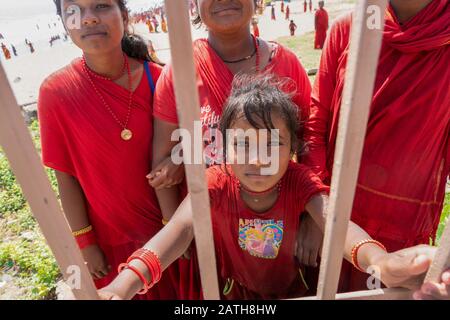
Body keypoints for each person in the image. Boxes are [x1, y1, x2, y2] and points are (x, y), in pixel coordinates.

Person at [99, 75, 439, 300]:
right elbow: (176, 232)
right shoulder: (215, 182)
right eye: (243, 144)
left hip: (298, 290)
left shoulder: (299, 181)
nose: (257, 158)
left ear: (292, 149)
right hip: (238, 294)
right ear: (224, 148)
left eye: (272, 144)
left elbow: (337, 226)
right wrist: (124, 285)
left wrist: (381, 262)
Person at [149, 0, 312, 299]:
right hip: (212, 234)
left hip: (280, 230)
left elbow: (306, 144)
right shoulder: (180, 71)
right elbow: (162, 161)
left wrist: (311, 221)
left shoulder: (286, 63)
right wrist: (180, 233)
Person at [303, 0, 450, 298]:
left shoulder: (445, 35)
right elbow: (315, 128)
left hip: (407, 232)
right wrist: (313, 212)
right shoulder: (349, 29)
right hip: (334, 219)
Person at [38, 0, 178, 300]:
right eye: (74, 11)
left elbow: (190, 146)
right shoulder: (55, 93)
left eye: (101, 6)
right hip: (111, 244)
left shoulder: (159, 78)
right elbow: (65, 177)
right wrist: (84, 242)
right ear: (64, 22)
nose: (88, 19)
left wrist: (177, 163)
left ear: (124, 16)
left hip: (170, 234)